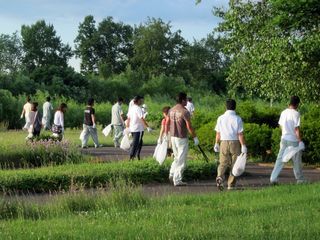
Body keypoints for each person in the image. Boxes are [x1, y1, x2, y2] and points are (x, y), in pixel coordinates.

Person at [165, 92, 199, 186]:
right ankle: (177, 179)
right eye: (186, 99)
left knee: (177, 157)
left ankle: (172, 174)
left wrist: (165, 134)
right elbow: (189, 126)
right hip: (182, 137)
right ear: (183, 100)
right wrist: (195, 137)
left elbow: (167, 123)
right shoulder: (184, 111)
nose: (187, 101)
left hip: (172, 137)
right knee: (182, 160)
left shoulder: (171, 110)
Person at [270, 96, 305, 184]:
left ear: (289, 103)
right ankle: (300, 179)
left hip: (284, 138)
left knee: (280, 159)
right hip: (293, 140)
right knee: (296, 160)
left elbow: (281, 126)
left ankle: (273, 178)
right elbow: (296, 129)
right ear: (297, 104)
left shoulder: (283, 112)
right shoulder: (296, 114)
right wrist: (300, 141)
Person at [214, 99, 247, 191]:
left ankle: (220, 177)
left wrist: (216, 143)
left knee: (223, 162)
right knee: (234, 164)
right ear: (235, 107)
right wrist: (243, 145)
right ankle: (231, 185)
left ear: (226, 107)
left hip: (223, 142)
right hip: (235, 143)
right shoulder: (237, 118)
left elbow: (218, 133)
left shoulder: (220, 118)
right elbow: (240, 134)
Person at [127, 95, 152, 160]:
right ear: (138, 101)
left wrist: (127, 127)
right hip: (138, 129)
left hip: (132, 128)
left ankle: (136, 156)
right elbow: (142, 119)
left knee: (138, 142)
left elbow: (128, 119)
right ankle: (131, 157)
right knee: (136, 143)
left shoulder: (131, 108)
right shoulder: (138, 109)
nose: (142, 102)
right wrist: (147, 127)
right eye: (141, 100)